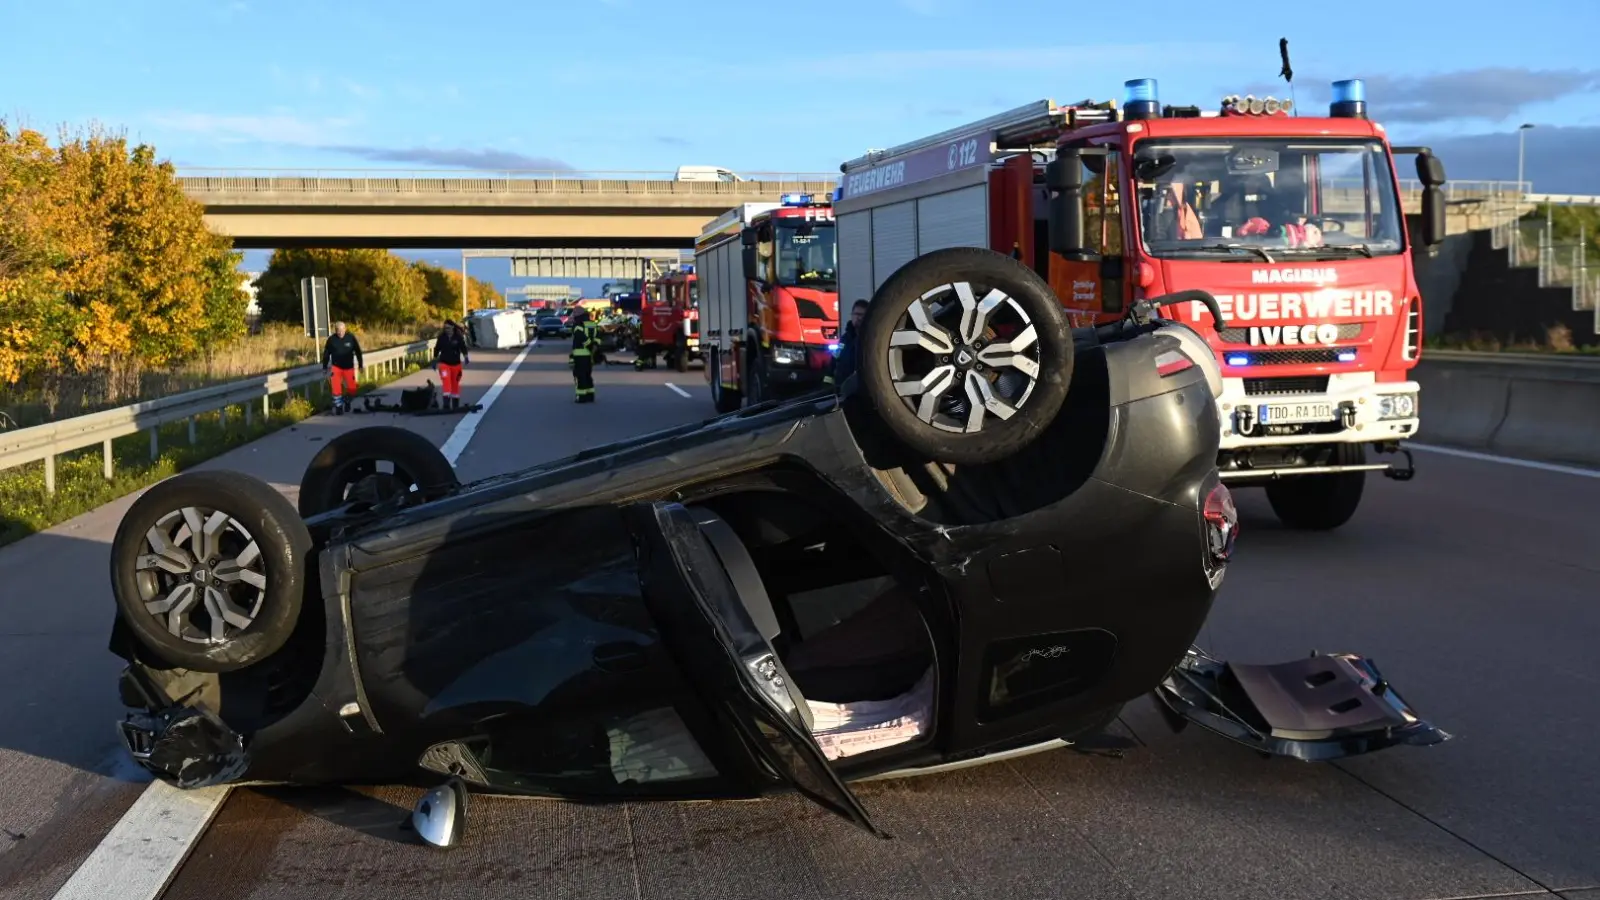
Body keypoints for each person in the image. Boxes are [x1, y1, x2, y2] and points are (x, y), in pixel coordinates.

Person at [824, 300, 869, 390]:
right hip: (842, 389)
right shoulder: (844, 339)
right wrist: (827, 385)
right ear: (852, 315)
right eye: (856, 314)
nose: (858, 318)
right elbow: (834, 360)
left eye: (862, 315)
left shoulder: (871, 338)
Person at [321, 321, 364, 415]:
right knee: (336, 388)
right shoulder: (331, 340)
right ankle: (339, 407)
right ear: (335, 330)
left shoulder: (351, 338)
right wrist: (324, 367)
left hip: (349, 367)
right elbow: (326, 354)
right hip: (336, 367)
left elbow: (358, 352)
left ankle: (347, 401)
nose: (340, 332)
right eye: (338, 330)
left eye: (342, 330)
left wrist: (360, 365)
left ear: (345, 329)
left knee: (352, 389)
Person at [432, 320, 471, 410]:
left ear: (453, 327)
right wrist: (434, 360)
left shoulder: (458, 337)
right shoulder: (442, 338)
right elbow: (437, 349)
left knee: (455, 383)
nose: (447, 330)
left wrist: (466, 357)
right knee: (446, 381)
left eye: (448, 328)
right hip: (444, 363)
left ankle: (455, 404)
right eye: (445, 328)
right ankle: (446, 404)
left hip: (456, 365)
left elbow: (463, 347)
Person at [569, 308, 601, 403]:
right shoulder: (594, 325)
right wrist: (594, 347)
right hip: (590, 355)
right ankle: (590, 395)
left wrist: (589, 345)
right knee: (588, 375)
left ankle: (582, 396)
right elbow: (598, 338)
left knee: (580, 376)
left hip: (580, 355)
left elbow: (580, 337)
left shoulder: (578, 325)